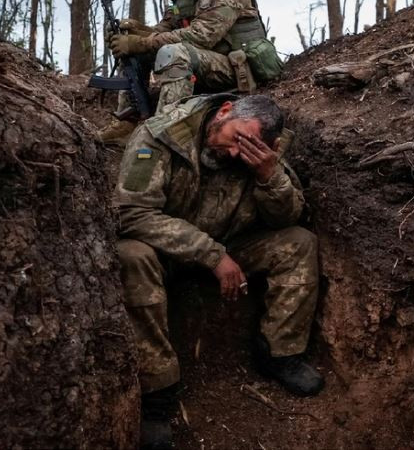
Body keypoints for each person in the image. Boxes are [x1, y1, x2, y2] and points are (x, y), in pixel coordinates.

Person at [115, 93, 323, 449]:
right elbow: (132, 213)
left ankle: (280, 352)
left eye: (248, 148)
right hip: (166, 250)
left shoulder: (265, 152)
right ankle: (156, 391)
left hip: (230, 243)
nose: (234, 154)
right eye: (236, 139)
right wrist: (211, 255)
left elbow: (288, 218)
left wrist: (268, 176)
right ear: (225, 111)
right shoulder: (161, 135)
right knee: (130, 255)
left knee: (299, 242)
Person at [99, 0, 281, 145]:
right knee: (138, 48)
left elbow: (202, 36)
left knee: (174, 53)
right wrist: (136, 32)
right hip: (204, 62)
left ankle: (166, 134)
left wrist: (143, 42)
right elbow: (166, 28)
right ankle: (129, 121)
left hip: (235, 68)